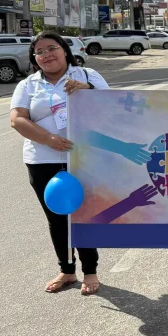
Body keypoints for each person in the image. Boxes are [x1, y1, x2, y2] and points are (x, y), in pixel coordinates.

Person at [10, 31, 109, 295]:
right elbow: (17, 119)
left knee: (82, 214)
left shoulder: (87, 76)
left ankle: (90, 271)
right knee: (56, 218)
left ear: (64, 50)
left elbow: (113, 107)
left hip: (83, 157)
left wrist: (87, 91)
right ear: (34, 58)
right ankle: (66, 270)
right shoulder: (28, 85)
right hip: (41, 159)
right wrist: (48, 139)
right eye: (39, 52)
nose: (46, 55)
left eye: (51, 48)